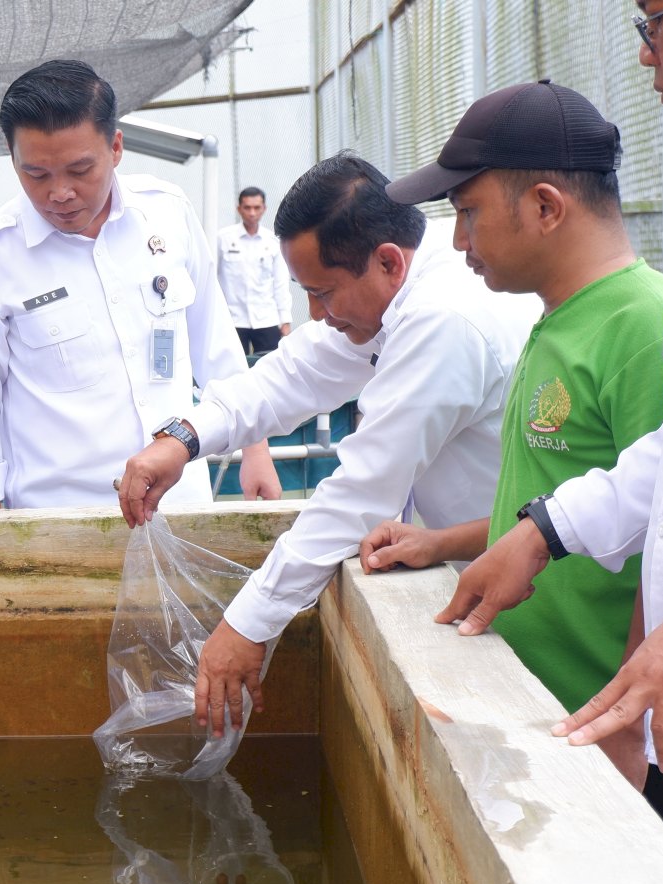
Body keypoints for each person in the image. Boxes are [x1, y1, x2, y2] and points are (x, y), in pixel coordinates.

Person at [118, 153, 528, 737]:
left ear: (387, 261)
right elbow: (295, 373)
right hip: (464, 548)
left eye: (323, 292)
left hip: (520, 582)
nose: (316, 314)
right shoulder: (401, 277)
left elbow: (361, 490)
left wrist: (248, 623)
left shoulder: (443, 317)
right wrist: (183, 438)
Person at [389, 17, 663, 821]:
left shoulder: (641, 324)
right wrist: (440, 543)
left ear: (545, 207)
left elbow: (661, 524)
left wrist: (630, 728)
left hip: (605, 727)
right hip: (538, 705)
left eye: (470, 211)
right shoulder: (551, 323)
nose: (460, 239)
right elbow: (554, 502)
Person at [0, 59, 280, 511]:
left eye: (80, 170)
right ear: (13, 159)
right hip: (61, 521)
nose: (59, 193)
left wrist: (255, 448)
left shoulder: (168, 213)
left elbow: (214, 342)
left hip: (182, 503)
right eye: (36, 174)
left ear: (116, 147)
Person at [217, 186, 293, 355]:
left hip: (266, 319)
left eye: (256, 207)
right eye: (247, 207)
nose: (252, 213)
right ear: (239, 209)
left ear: (264, 209)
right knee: (233, 371)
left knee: (271, 368)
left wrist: (285, 320)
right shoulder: (223, 239)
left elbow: (281, 283)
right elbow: (211, 279)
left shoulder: (273, 241)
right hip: (232, 320)